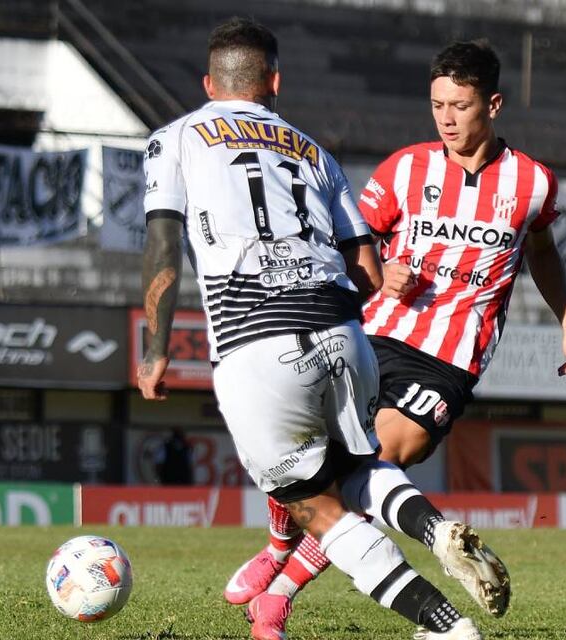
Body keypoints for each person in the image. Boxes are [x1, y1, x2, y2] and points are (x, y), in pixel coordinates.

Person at [225, 38, 566, 631]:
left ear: (493, 105)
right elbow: (348, 242)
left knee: (379, 459)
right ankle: (275, 553)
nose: (447, 118)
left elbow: (543, 254)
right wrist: (377, 269)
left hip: (450, 357)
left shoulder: (532, 184)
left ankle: (282, 593)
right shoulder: (406, 168)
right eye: (437, 104)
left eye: (461, 105)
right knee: (307, 446)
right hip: (374, 333)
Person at [139, 17, 484, 640]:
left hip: (256, 337)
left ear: (208, 83)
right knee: (355, 472)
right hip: (344, 334)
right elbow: (365, 269)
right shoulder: (312, 149)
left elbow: (163, 241)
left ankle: (445, 627)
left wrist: (156, 350)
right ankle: (435, 530)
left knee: (316, 508)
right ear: (274, 81)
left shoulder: (177, 137)